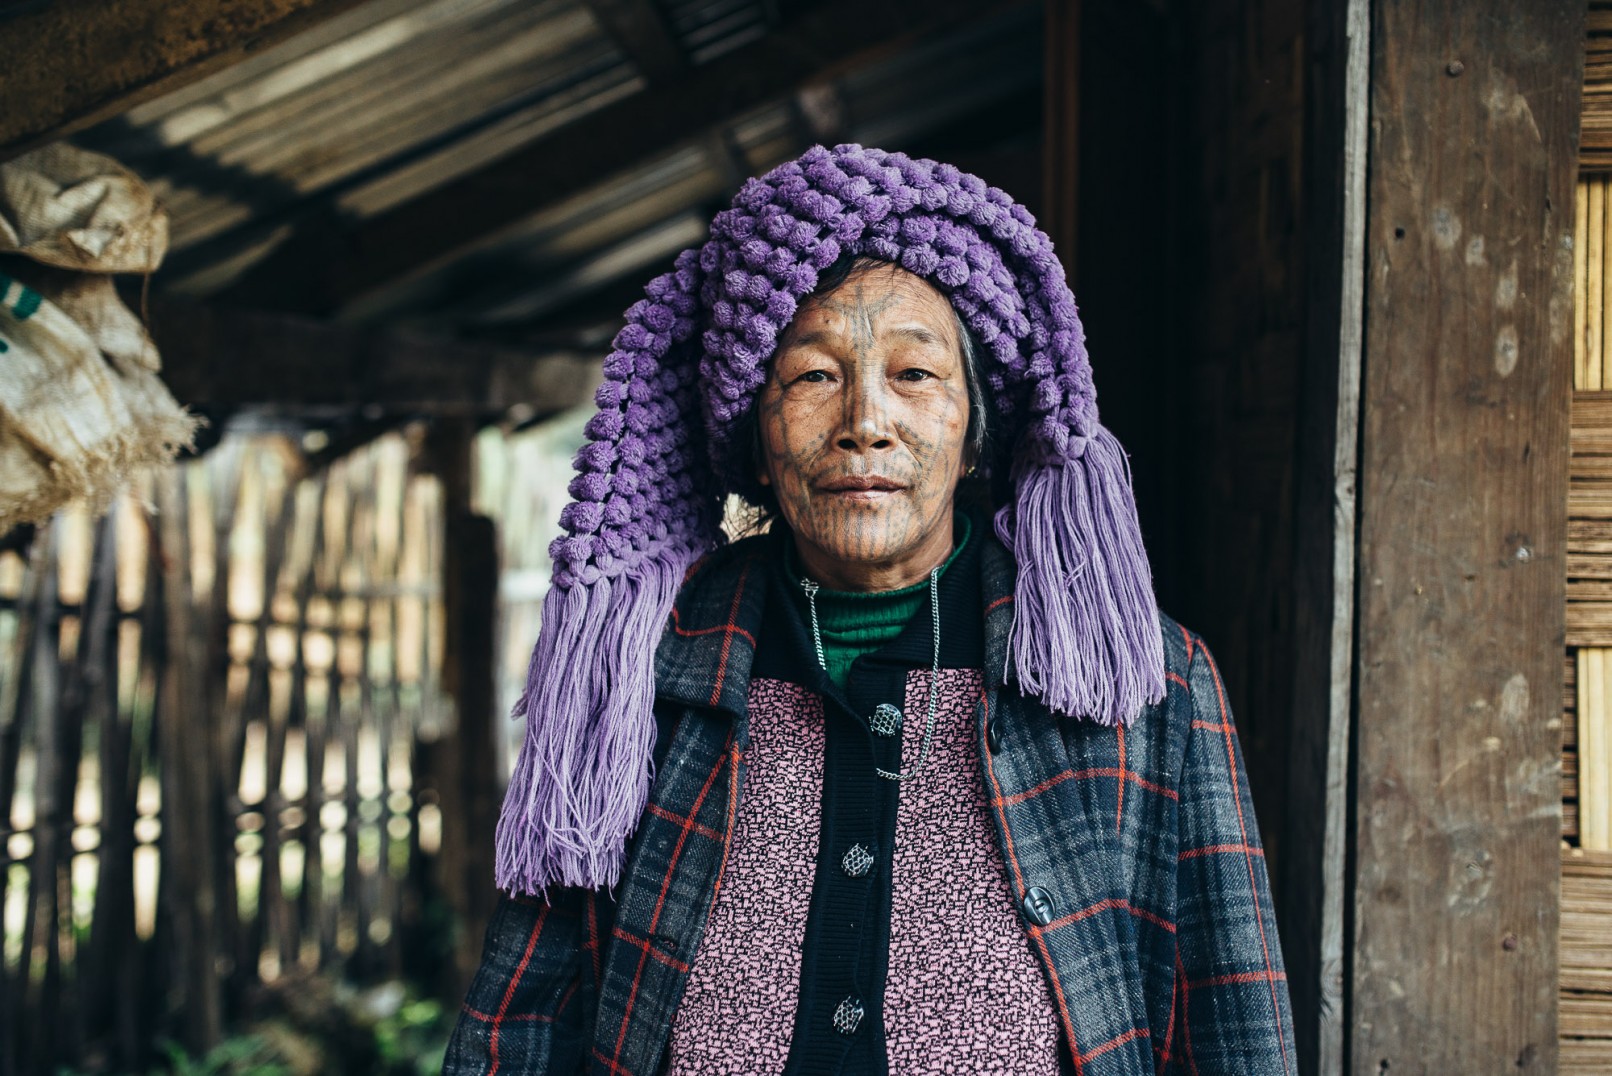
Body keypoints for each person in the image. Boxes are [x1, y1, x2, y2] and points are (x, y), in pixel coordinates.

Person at [443, 144, 1296, 1075]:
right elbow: (520, 1028)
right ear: (755, 439)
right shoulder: (636, 681)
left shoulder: (1149, 685)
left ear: (974, 432)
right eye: (812, 377)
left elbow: (1233, 1026)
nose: (865, 420)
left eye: (915, 375)